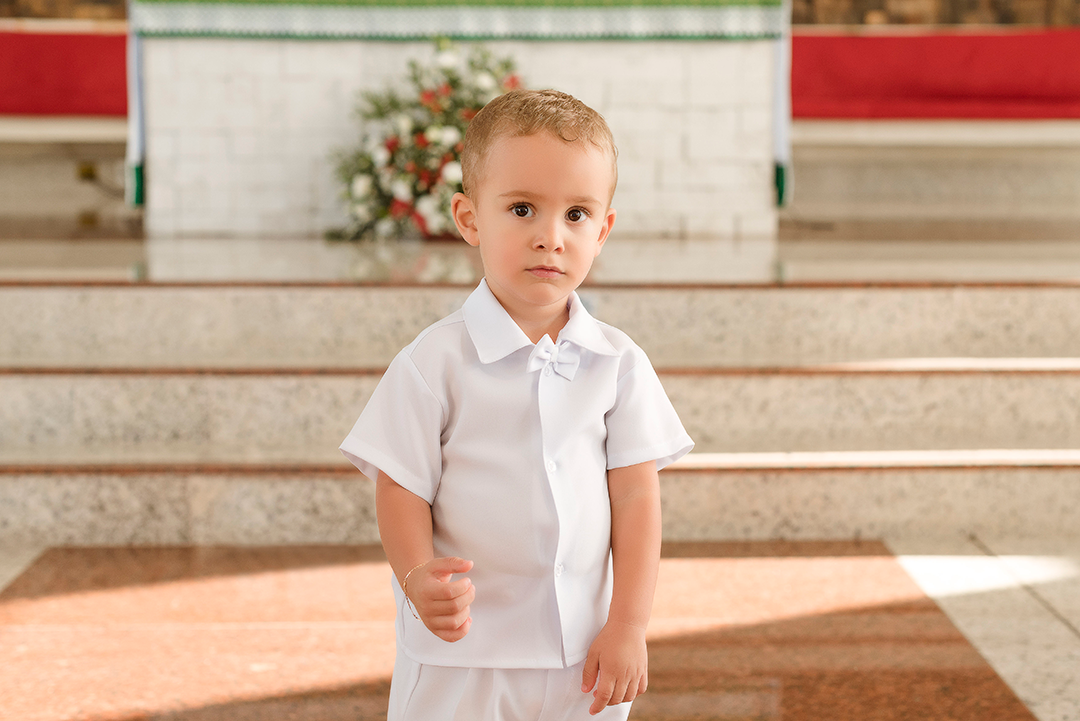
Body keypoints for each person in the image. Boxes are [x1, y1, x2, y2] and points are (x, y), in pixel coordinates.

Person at [340, 88, 693, 720]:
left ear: (604, 229)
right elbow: (401, 488)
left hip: (583, 655)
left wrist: (630, 626)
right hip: (465, 655)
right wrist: (417, 575)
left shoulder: (619, 363)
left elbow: (637, 497)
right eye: (523, 209)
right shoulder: (434, 363)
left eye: (577, 215)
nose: (550, 238)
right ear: (470, 218)